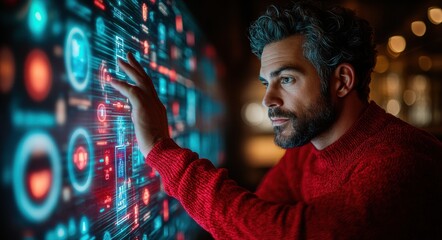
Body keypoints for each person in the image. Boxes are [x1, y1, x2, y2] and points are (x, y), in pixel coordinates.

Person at [110, 1, 442, 239]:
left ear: (341, 81)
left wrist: (159, 147)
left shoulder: (401, 163)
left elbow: (285, 233)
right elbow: (248, 221)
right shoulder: (307, 150)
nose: (269, 100)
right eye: (266, 83)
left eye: (286, 80)